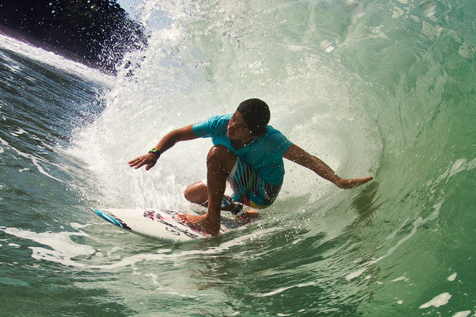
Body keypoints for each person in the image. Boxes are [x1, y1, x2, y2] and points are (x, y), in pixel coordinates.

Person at [128, 98, 373, 236]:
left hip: (264, 191)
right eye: (234, 117)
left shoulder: (272, 140)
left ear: (254, 133)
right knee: (192, 193)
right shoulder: (220, 124)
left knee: (217, 154)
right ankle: (241, 212)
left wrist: (337, 180)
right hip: (241, 186)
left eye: (240, 125)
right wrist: (154, 153)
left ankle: (211, 221)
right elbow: (178, 134)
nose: (231, 126)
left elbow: (308, 160)